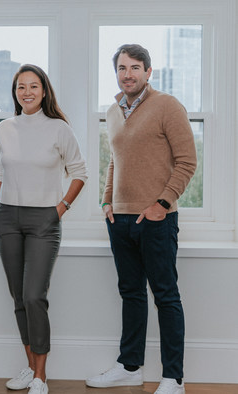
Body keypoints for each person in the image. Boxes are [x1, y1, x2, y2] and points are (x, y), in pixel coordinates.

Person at [85, 44, 197, 394]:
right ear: (116, 72)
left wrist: (161, 204)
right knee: (131, 293)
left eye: (135, 67)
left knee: (165, 295)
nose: (128, 74)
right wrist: (107, 201)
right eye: (122, 68)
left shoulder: (167, 106)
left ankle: (173, 378)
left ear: (149, 72)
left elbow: (187, 161)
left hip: (156, 220)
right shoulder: (113, 111)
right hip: (119, 219)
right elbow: (115, 161)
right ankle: (130, 367)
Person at [0, 64, 88, 394]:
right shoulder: (5, 128)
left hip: (44, 220)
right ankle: (30, 368)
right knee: (18, 297)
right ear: (15, 92)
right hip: (8, 218)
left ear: (44, 91)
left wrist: (60, 209)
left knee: (34, 296)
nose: (27, 92)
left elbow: (80, 173)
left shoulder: (59, 129)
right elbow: (1, 172)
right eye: (21, 87)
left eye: (33, 86)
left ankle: (41, 378)